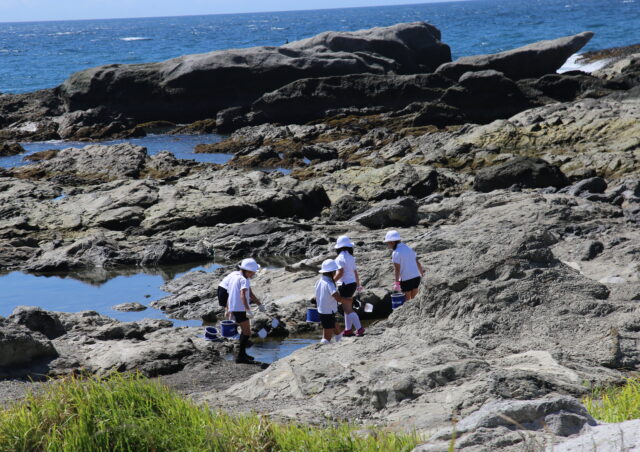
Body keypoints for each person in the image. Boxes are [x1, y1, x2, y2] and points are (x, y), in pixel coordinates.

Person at [226, 258, 265, 364]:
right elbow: (243, 295)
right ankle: (240, 357)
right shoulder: (244, 279)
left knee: (245, 331)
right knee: (247, 332)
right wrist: (247, 310)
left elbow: (250, 294)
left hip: (235, 308)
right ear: (248, 271)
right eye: (253, 272)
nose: (254, 274)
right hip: (240, 309)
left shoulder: (237, 277)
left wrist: (259, 304)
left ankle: (243, 354)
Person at [333, 235, 365, 337]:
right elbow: (355, 272)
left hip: (344, 285)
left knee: (347, 309)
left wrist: (332, 281)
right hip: (352, 284)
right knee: (347, 307)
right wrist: (358, 285)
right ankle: (348, 329)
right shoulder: (351, 257)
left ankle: (359, 328)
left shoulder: (339, 258)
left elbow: (340, 272)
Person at [315, 259, 348, 344]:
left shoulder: (319, 281)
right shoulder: (329, 283)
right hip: (327, 312)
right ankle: (322, 349)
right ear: (331, 272)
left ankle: (340, 339)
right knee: (327, 337)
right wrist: (348, 301)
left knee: (336, 326)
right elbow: (337, 298)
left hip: (322, 310)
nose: (335, 273)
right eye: (334, 271)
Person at [384, 230, 424, 300]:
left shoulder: (396, 252)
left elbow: (397, 269)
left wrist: (396, 283)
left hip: (406, 279)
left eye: (387, 243)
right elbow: (417, 262)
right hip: (416, 277)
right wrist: (421, 274)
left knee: (407, 301)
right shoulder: (408, 248)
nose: (387, 245)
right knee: (414, 299)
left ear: (392, 242)